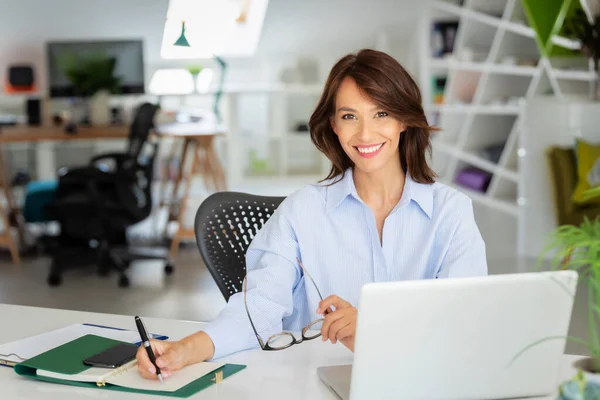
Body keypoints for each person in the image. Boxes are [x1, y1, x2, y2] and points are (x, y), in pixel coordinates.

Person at [136, 49, 487, 379]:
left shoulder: (450, 214)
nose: (365, 133)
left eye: (381, 113)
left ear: (404, 121)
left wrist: (374, 330)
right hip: (312, 383)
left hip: (423, 383)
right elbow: (257, 309)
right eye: (349, 116)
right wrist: (183, 350)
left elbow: (463, 323)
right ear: (333, 125)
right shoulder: (302, 211)